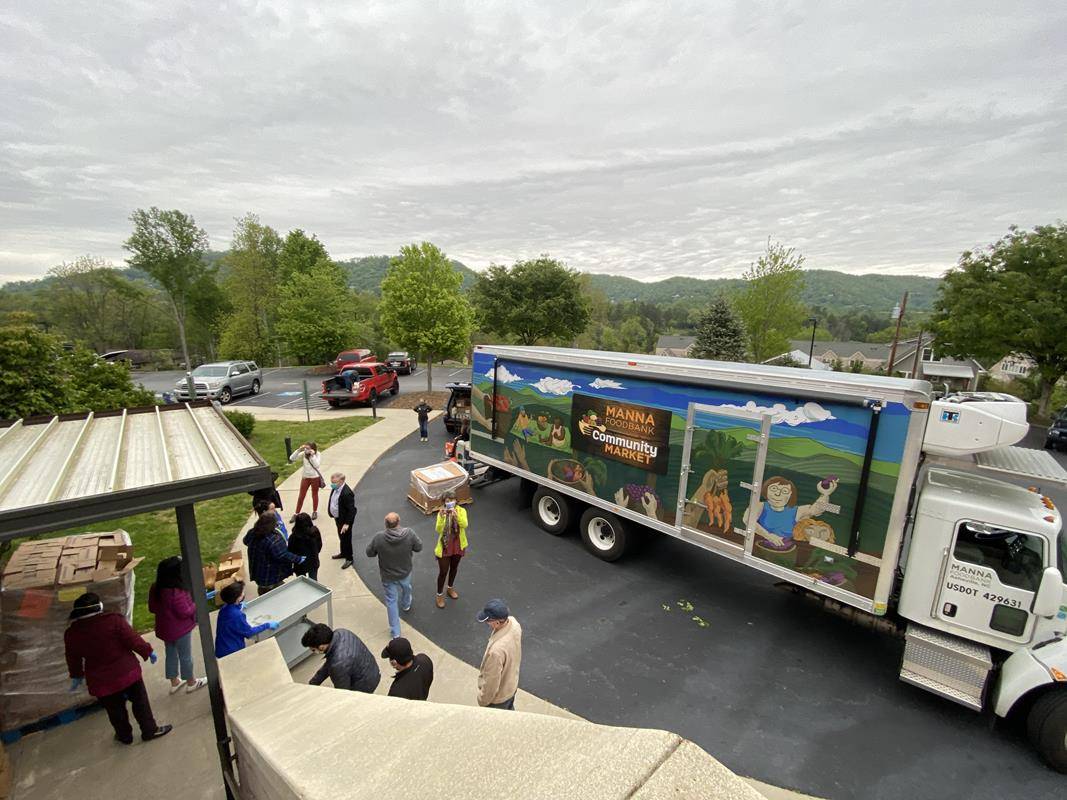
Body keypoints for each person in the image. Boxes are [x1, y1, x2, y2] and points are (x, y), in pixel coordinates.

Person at [64, 592, 172, 744]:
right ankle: (149, 730)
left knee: (115, 710)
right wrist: (147, 651)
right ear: (98, 607)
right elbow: (132, 640)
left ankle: (124, 736)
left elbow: (72, 657)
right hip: (127, 672)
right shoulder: (113, 621)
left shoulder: (71, 634)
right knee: (140, 702)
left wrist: (76, 675)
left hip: (101, 681)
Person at [147, 556, 206, 695]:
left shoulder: (155, 588)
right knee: (186, 656)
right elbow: (185, 612)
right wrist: (195, 604)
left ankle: (174, 681)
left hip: (166, 630)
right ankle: (191, 682)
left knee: (171, 653)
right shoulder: (176, 592)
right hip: (181, 630)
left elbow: (152, 608)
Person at [365, 512, 423, 638]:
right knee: (407, 588)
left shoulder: (379, 538)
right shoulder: (409, 534)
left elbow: (369, 553)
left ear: (386, 524)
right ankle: (406, 603)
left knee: (391, 601)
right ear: (399, 521)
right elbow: (419, 547)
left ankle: (396, 633)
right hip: (405, 572)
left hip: (388, 576)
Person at [301, 623, 380, 693]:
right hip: (372, 670)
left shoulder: (338, 664)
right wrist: (313, 683)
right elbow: (329, 663)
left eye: (313, 650)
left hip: (366, 685)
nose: (313, 651)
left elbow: (342, 692)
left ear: (321, 647)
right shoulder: (341, 632)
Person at [476, 599, 522, 710]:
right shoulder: (514, 623)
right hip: (511, 686)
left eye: (488, 621)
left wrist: (482, 700)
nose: (487, 624)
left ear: (497, 622)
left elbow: (491, 683)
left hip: (498, 699)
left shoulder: (496, 652)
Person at [243, 511, 304, 595]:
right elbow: (283, 555)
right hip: (270, 575)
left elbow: (245, 541)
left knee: (262, 591)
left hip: (258, 572)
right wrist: (298, 559)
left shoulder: (252, 532)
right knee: (278, 594)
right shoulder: (274, 539)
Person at [214, 581, 279, 658]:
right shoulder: (237, 616)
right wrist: (267, 625)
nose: (243, 593)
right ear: (238, 598)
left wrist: (240, 606)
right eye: (242, 593)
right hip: (232, 652)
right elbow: (249, 632)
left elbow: (232, 611)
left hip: (222, 647)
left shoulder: (223, 609)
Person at [433, 490, 468, 609]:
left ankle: (450, 588)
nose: (451, 503)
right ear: (444, 503)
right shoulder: (441, 513)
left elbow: (464, 524)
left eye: (452, 500)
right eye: (448, 501)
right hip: (445, 545)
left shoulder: (461, 511)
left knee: (454, 568)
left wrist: (456, 516)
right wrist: (443, 517)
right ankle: (439, 595)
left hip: (458, 544)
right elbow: (438, 529)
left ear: (456, 501)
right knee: (443, 571)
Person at [327, 471, 357, 569]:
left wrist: (347, 524)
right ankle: (343, 553)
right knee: (341, 537)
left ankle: (349, 558)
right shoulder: (336, 489)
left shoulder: (347, 493)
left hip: (344, 521)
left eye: (334, 482)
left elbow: (352, 510)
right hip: (338, 518)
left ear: (342, 481)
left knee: (346, 539)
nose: (332, 484)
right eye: (332, 482)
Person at [289, 441, 323, 520]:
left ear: (313, 449)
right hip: (305, 477)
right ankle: (296, 513)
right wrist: (298, 450)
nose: (306, 450)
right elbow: (292, 458)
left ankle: (315, 511)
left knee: (314, 494)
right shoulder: (304, 454)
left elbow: (317, 465)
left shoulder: (317, 454)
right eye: (305, 448)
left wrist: (313, 455)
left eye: (308, 448)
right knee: (301, 495)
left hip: (315, 477)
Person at [288, 512, 323, 582]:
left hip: (300, 564)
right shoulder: (315, 532)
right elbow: (319, 545)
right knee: (314, 581)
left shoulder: (293, 536)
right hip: (313, 561)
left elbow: (290, 550)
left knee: (302, 582)